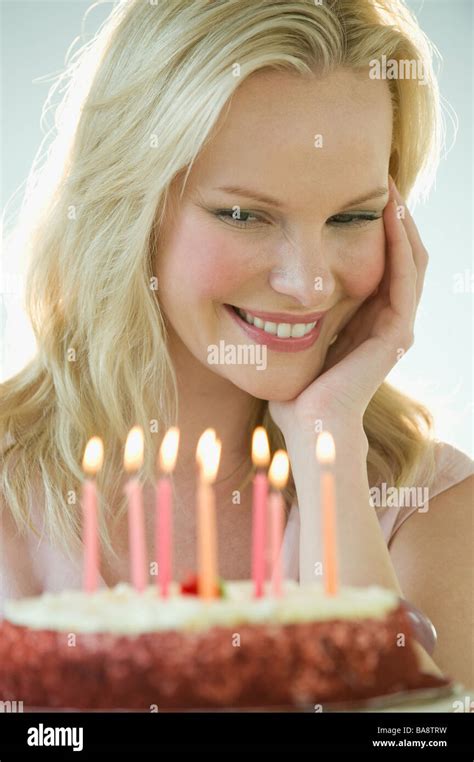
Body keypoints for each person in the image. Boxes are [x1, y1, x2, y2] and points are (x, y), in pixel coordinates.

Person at [1, 0, 472, 686]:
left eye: (353, 215)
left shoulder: (428, 507)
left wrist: (328, 448)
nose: (309, 284)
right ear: (128, 207)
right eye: (244, 214)